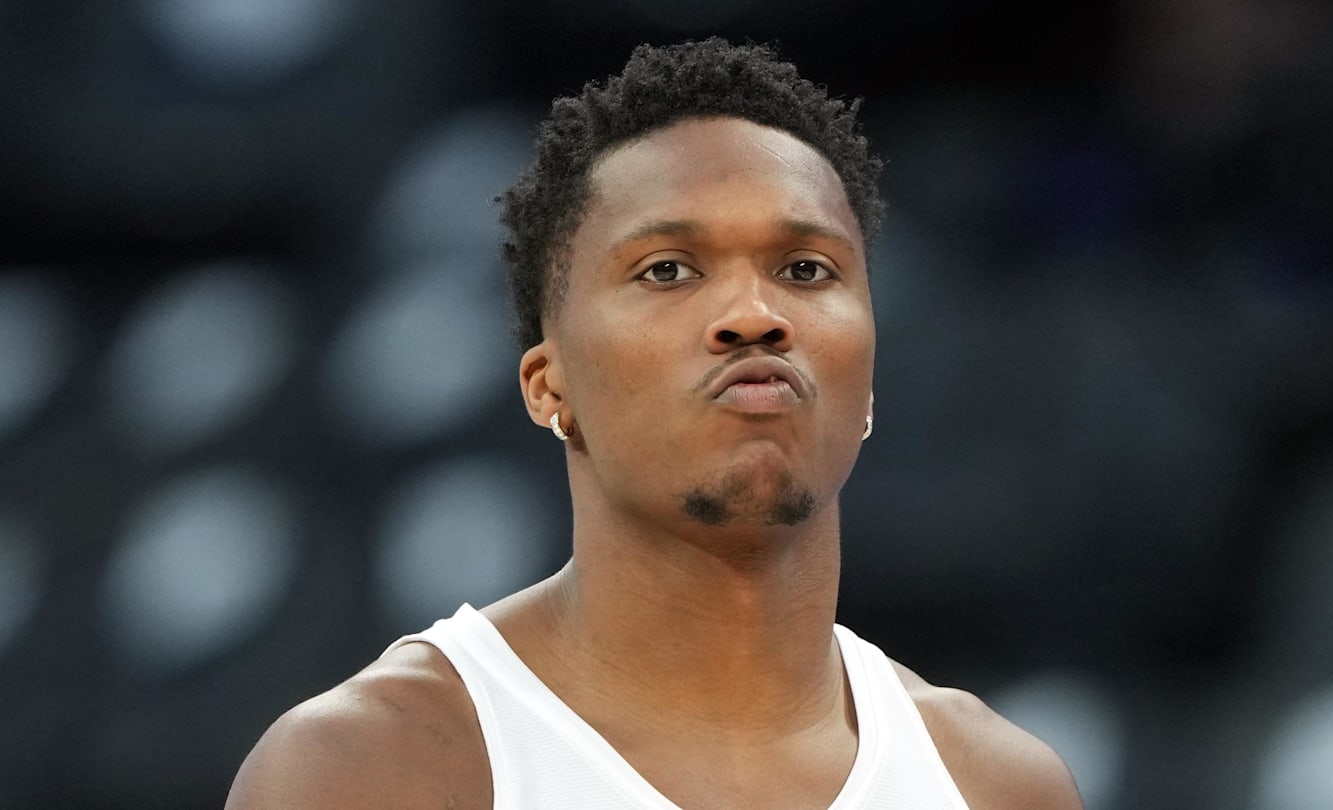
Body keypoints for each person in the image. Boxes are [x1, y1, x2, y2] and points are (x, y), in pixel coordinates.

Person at [226, 38, 1084, 809]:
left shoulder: (994, 784)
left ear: (867, 384)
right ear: (546, 385)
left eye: (804, 268)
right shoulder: (375, 768)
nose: (753, 314)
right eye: (669, 269)